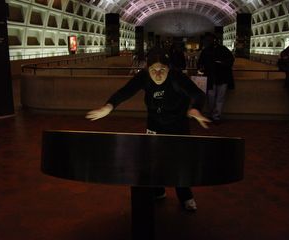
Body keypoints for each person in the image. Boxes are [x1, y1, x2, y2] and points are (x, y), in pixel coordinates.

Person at [86, 47, 210, 211]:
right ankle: (158, 191)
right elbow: (125, 92)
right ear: (147, 69)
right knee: (153, 160)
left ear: (169, 69)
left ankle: (186, 196)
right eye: (153, 70)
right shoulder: (143, 77)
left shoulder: (177, 77)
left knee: (179, 162)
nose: (157, 75)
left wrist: (196, 108)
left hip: (178, 125)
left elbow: (198, 95)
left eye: (162, 70)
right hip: (154, 124)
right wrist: (109, 106)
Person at [197, 33, 235, 124]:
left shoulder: (206, 51)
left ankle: (213, 116)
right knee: (218, 98)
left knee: (213, 98)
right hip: (221, 78)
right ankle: (215, 116)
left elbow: (200, 64)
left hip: (214, 78)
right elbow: (231, 60)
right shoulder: (222, 49)